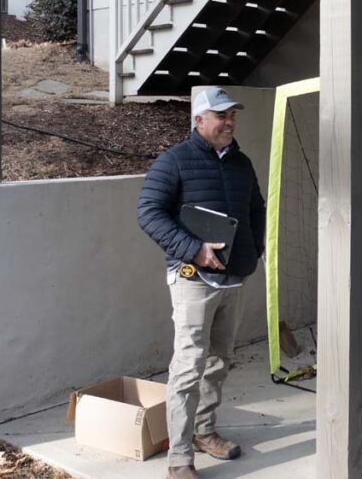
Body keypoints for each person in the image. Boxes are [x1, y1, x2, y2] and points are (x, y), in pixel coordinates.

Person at [137, 86, 266, 479]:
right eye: (221, 116)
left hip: (232, 277)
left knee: (219, 360)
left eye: (233, 116)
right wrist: (194, 250)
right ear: (199, 120)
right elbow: (148, 213)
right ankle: (179, 458)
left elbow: (255, 208)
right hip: (193, 278)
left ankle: (204, 431)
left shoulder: (241, 162)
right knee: (189, 365)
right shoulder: (174, 161)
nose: (230, 122)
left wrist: (253, 250)